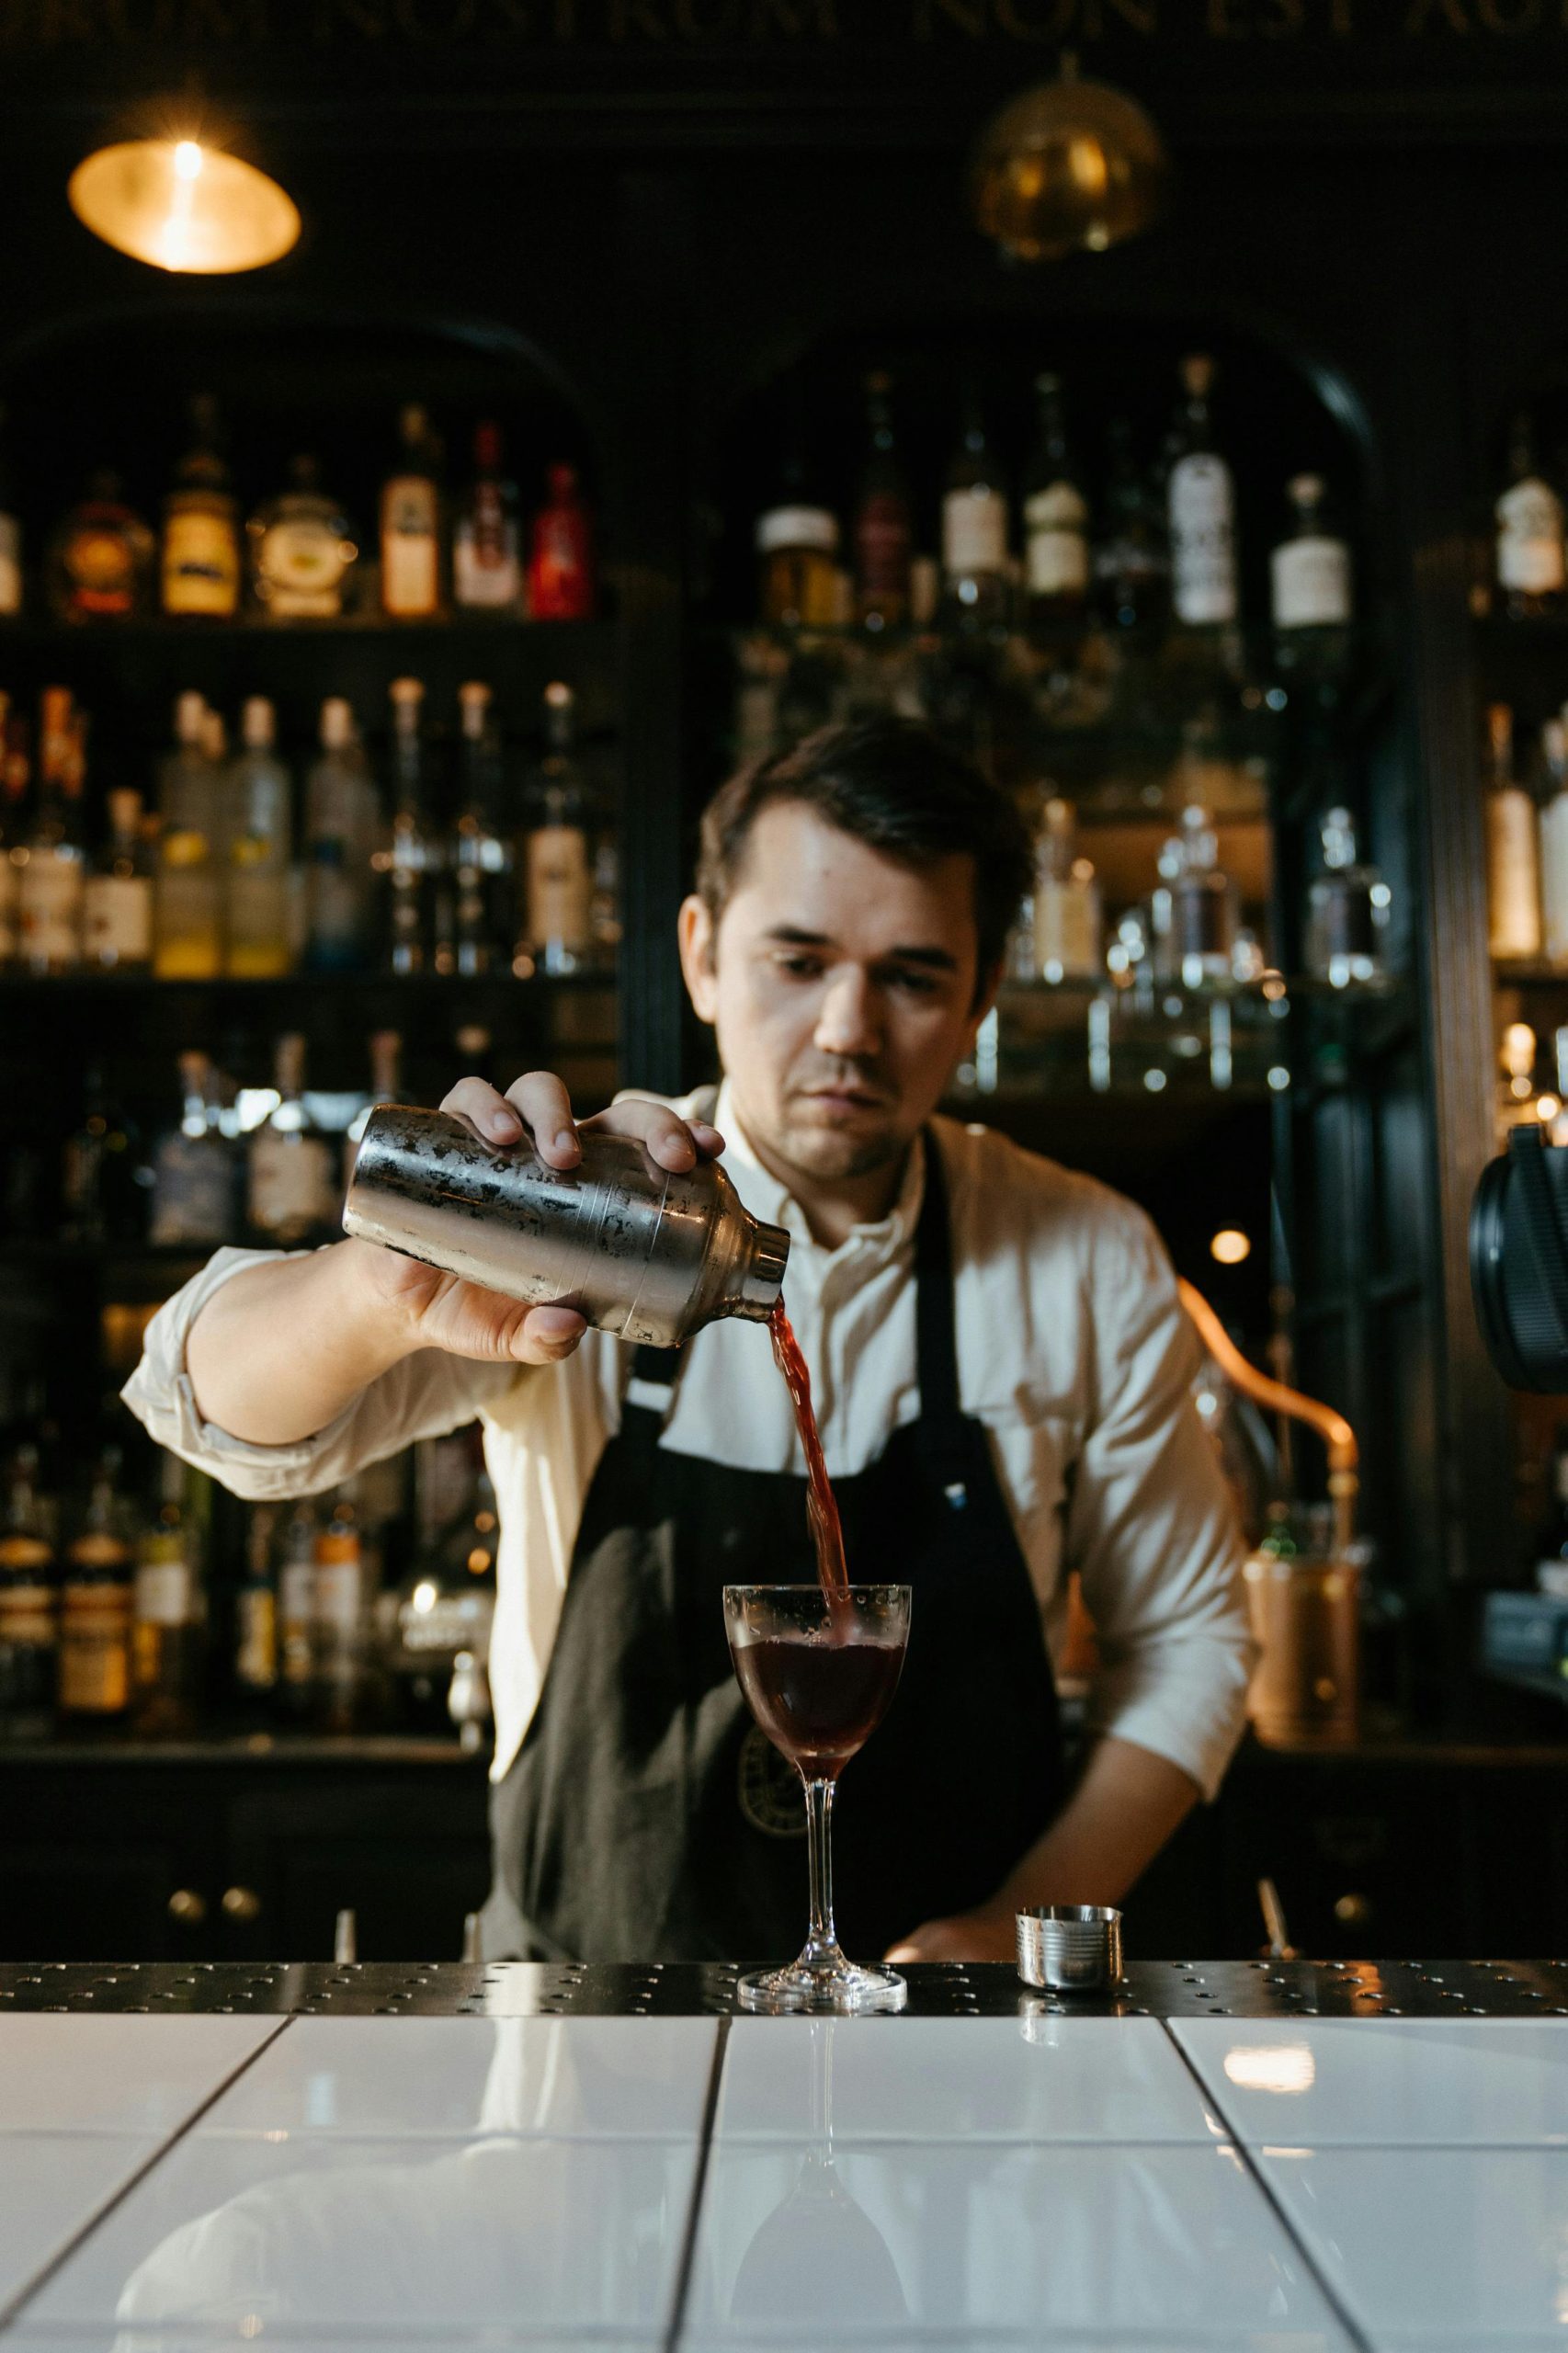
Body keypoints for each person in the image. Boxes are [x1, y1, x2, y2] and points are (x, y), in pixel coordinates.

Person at [125, 716, 1255, 1965]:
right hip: (582, 2013)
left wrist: (1009, 1929)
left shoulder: (1084, 1256)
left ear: (981, 994)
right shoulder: (591, 1214)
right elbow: (204, 1402)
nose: (846, 1029)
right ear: (702, 956)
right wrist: (391, 1283)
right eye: (797, 960)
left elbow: (1190, 1643)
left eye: (913, 976)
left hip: (956, 2034)